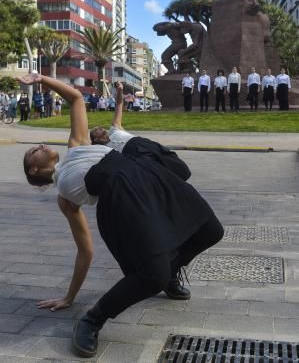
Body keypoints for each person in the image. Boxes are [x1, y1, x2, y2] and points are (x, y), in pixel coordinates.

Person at [18, 73, 224, 359]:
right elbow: (85, 251)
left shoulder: (77, 145)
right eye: (32, 152)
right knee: (152, 276)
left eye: (37, 144)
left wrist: (41, 78)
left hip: (147, 175)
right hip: (122, 199)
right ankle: (93, 319)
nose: (39, 145)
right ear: (34, 171)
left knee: (211, 230)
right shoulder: (65, 200)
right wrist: (69, 298)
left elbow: (75, 98)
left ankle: (170, 273)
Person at [90, 82, 191, 182]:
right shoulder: (104, 149)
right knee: (156, 170)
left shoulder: (114, 128)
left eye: (100, 127)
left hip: (139, 142)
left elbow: (119, 104)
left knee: (168, 157)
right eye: (97, 130)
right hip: (132, 154)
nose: (101, 128)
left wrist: (120, 90)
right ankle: (174, 182)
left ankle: (184, 173)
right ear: (95, 139)